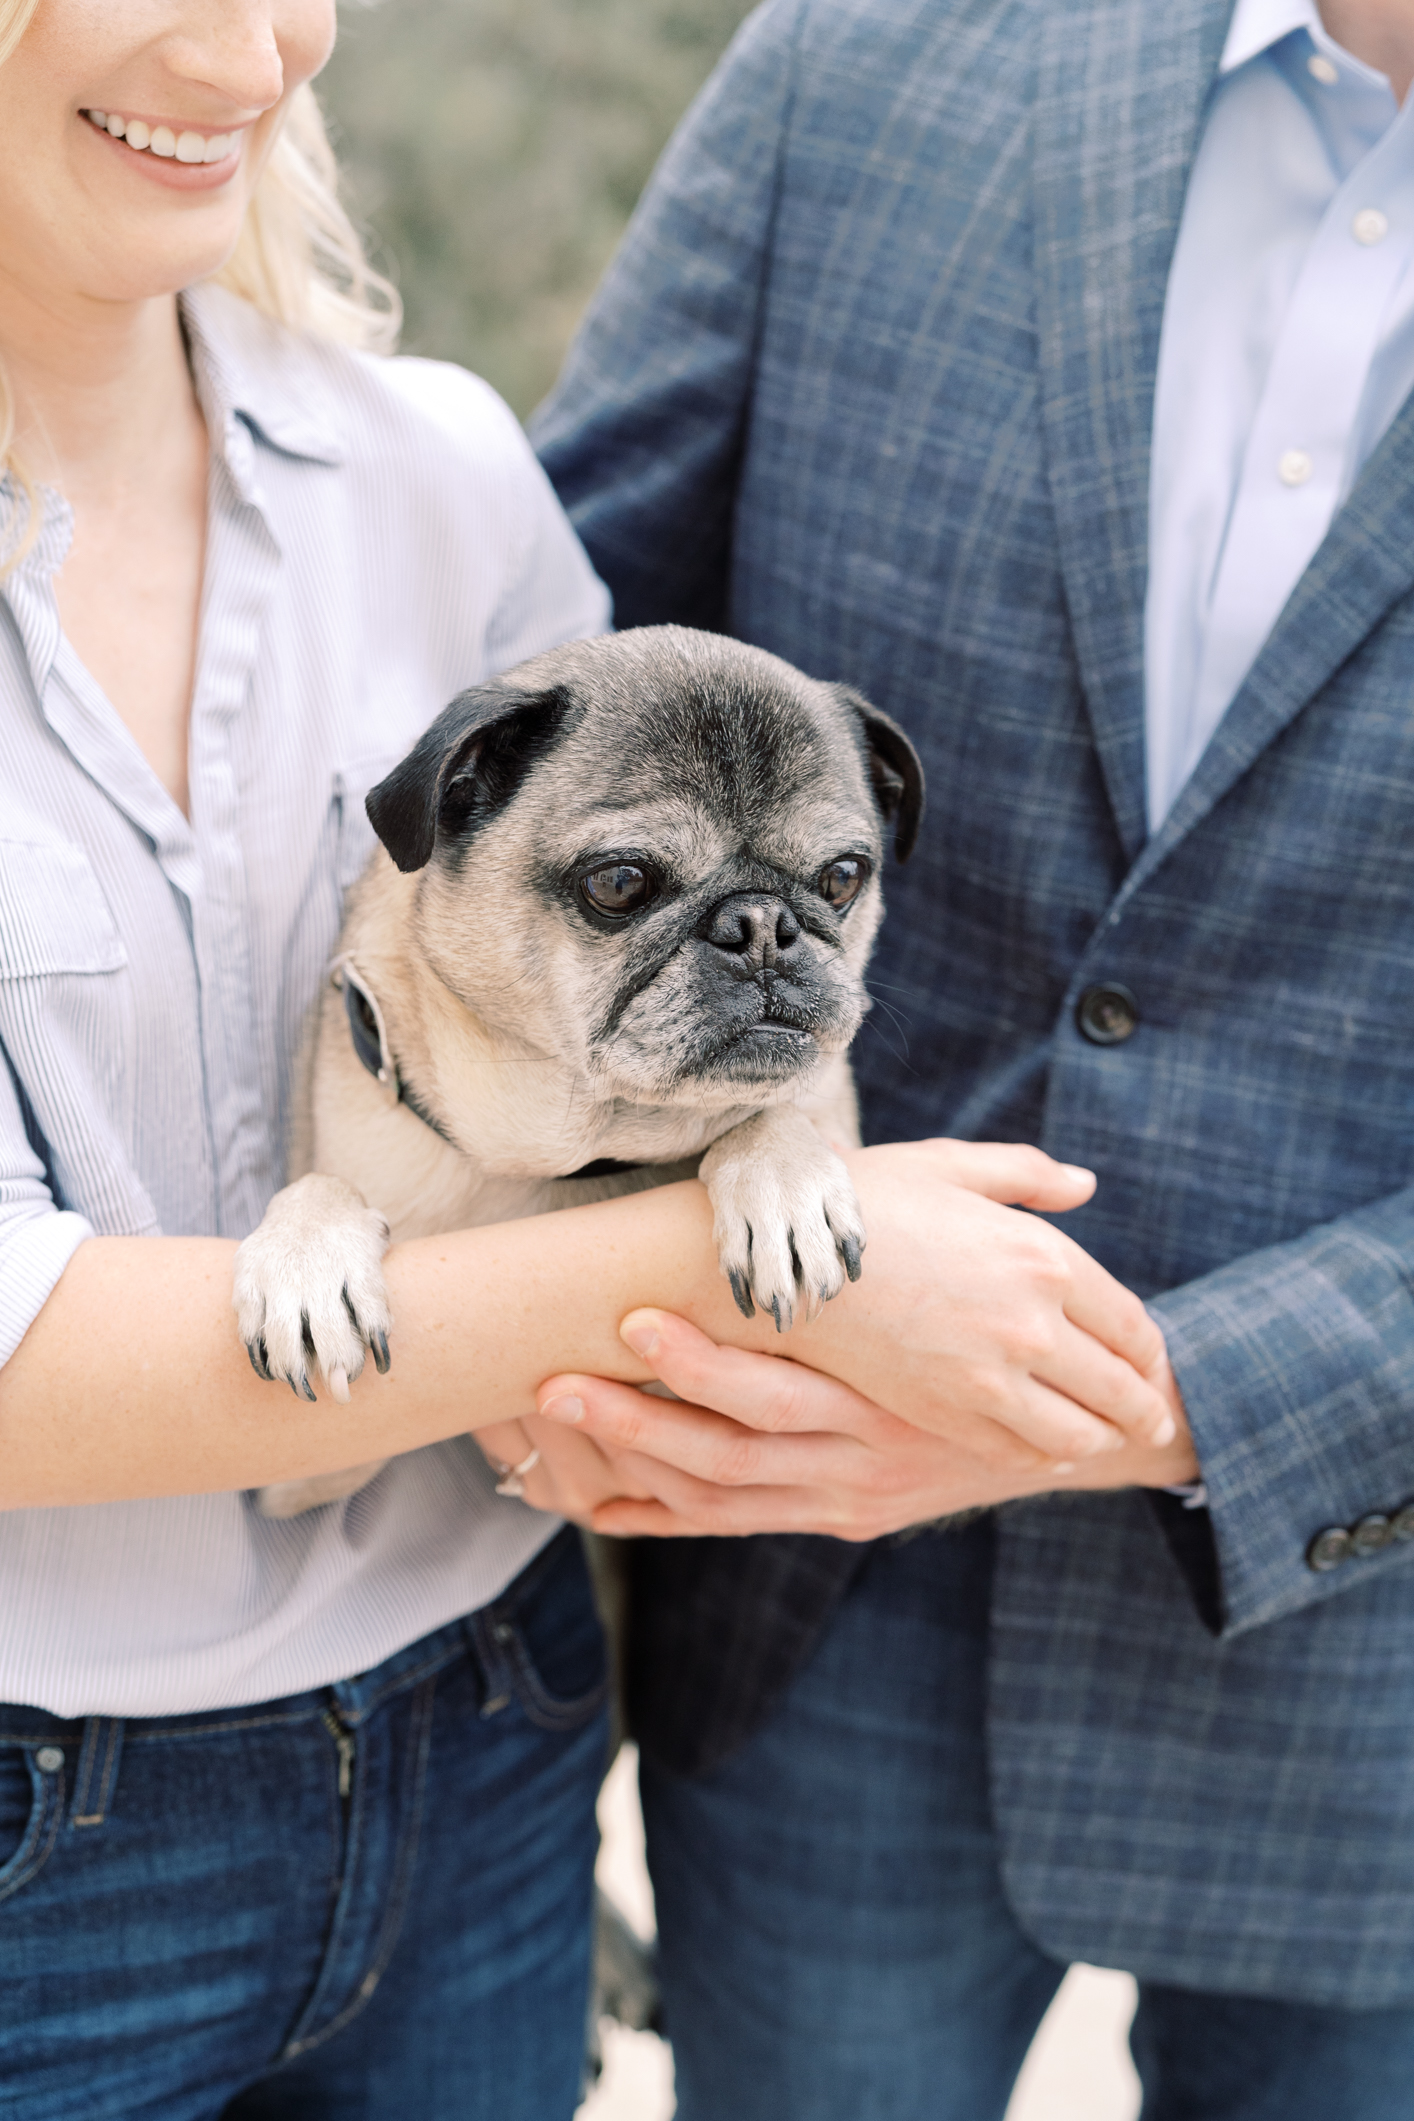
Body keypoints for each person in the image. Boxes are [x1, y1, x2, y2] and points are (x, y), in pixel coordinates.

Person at [0, 1, 1186, 2112]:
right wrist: (760, 1270)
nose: (247, 43)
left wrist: (775, 1157)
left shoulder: (432, 471)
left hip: (491, 1728)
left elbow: (692, 1018)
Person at [529, 0, 1414, 2115]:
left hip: (1374, 1681)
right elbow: (527, 727)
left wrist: (1164, 1397)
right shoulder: (859, 63)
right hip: (809, 1594)